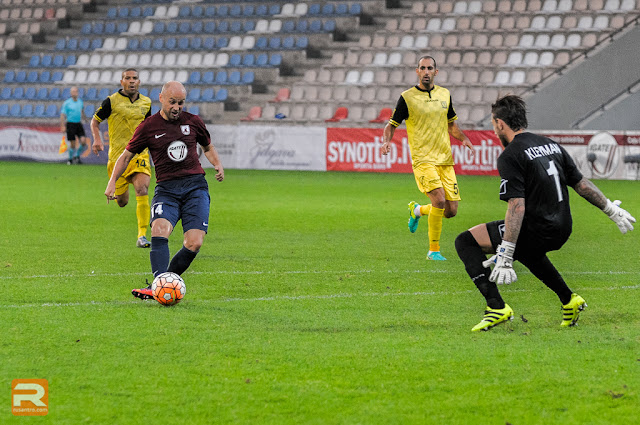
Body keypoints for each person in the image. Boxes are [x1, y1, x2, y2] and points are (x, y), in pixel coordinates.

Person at [455, 95, 636, 332]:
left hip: (539, 228)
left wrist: (506, 252)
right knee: (529, 251)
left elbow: (516, 205)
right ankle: (568, 299)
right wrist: (611, 210)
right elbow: (581, 184)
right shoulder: (550, 144)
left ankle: (496, 307)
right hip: (563, 227)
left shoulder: (511, 155)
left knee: (465, 241)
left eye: (493, 124)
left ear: (500, 124)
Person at [103, 81, 225, 300]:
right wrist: (112, 182)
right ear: (161, 98)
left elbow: (208, 146)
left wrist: (217, 164)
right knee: (159, 230)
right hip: (167, 190)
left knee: (194, 242)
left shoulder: (193, 122)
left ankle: (161, 284)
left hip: (195, 188)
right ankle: (160, 285)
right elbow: (126, 156)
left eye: (180, 103)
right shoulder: (149, 126)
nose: (176, 107)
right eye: (172, 102)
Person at [380, 55, 473, 261]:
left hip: (445, 159)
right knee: (439, 200)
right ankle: (434, 250)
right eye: (422, 68)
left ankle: (417, 210)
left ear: (436, 72)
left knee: (450, 210)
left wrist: (464, 139)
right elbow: (391, 124)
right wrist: (386, 141)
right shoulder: (407, 97)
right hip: (423, 159)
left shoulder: (445, 95)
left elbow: (451, 126)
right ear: (417, 71)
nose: (426, 71)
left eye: (430, 68)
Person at [91, 69, 153, 248]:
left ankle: (142, 235)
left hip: (139, 154)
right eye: (128, 78)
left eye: (134, 78)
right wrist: (96, 138)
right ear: (122, 82)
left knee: (142, 188)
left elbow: (149, 128)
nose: (131, 81)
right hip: (117, 158)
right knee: (122, 202)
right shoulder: (111, 101)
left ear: (139, 82)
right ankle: (118, 189)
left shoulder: (146, 103)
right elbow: (95, 121)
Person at [60, 86, 89, 164]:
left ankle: (77, 156)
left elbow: (82, 112)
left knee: (83, 141)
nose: (74, 93)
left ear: (78, 93)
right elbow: (63, 115)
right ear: (70, 93)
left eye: (76, 91)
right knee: (72, 144)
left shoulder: (80, 102)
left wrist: (86, 120)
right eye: (73, 91)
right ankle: (70, 159)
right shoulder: (67, 103)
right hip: (70, 124)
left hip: (78, 124)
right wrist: (63, 126)